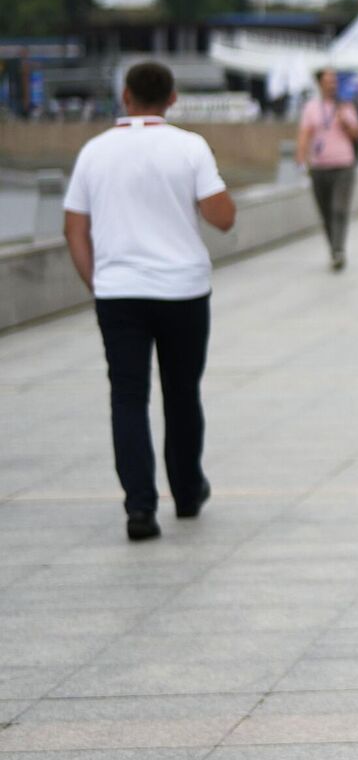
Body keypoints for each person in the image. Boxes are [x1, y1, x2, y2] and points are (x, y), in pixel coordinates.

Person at [62, 62, 236, 542]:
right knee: (182, 392)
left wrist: (97, 283)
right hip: (183, 289)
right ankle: (186, 490)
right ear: (173, 98)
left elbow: (74, 228)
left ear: (125, 97)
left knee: (127, 397)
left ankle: (140, 507)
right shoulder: (190, 146)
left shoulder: (94, 152)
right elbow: (222, 217)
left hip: (119, 292)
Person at [294, 67, 358, 271]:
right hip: (319, 166)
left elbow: (357, 134)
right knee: (325, 211)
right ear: (320, 83)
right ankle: (334, 248)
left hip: (343, 165)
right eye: (328, 80)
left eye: (334, 80)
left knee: (339, 209)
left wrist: (344, 120)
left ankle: (339, 250)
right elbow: (305, 134)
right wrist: (300, 159)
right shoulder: (311, 108)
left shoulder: (346, 105)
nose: (332, 83)